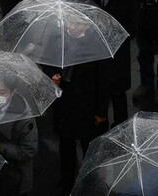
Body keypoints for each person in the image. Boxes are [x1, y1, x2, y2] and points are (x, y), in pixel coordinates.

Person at [50, 19, 111, 193]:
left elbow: (104, 80)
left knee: (88, 147)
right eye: (71, 23)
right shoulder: (58, 39)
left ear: (87, 25)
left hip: (87, 107)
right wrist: (52, 76)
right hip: (64, 104)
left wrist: (101, 111)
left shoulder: (97, 46)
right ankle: (67, 179)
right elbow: (48, 63)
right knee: (66, 146)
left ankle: (90, 179)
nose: (73, 27)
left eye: (78, 24)